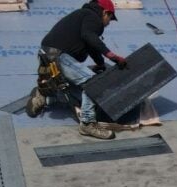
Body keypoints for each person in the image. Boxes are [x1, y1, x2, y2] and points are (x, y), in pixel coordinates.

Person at [27, 0, 129, 140]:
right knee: (93, 84)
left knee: (75, 91)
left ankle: (45, 95)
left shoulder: (83, 15)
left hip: (46, 53)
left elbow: (90, 45)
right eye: (110, 18)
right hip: (59, 56)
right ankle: (87, 123)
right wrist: (111, 56)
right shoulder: (94, 17)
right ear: (105, 12)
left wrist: (100, 64)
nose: (108, 23)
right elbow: (89, 37)